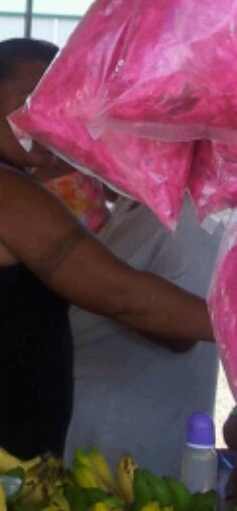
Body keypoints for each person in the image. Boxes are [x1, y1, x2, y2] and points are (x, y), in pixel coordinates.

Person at [0, 37, 213, 460]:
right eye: (28, 102)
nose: (43, 119)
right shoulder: (3, 192)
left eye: (57, 102)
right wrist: (226, 324)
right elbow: (123, 295)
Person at [71, 196, 220, 476]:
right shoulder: (143, 200)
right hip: (95, 410)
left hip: (129, 427)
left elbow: (182, 330)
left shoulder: (194, 216)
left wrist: (118, 296)